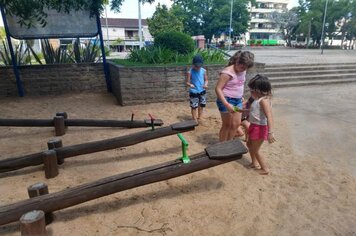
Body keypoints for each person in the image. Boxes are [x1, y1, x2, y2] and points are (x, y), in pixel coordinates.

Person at [215, 51, 255, 141]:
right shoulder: (227, 73)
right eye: (242, 67)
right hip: (226, 100)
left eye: (245, 68)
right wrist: (227, 104)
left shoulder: (243, 70)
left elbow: (239, 84)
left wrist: (240, 96)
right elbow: (218, 89)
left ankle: (229, 143)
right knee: (227, 125)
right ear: (237, 61)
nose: (243, 70)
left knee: (236, 124)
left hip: (237, 101)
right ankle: (222, 146)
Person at [246, 74, 276, 175]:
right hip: (254, 125)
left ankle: (265, 169)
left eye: (251, 89)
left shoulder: (264, 101)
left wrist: (270, 132)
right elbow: (254, 110)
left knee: (255, 149)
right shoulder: (257, 99)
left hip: (260, 128)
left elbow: (269, 116)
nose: (250, 91)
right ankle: (254, 163)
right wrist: (241, 110)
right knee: (249, 144)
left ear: (258, 89)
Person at [186, 55, 208, 122]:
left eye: (199, 66)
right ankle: (194, 119)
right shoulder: (190, 72)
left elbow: (206, 80)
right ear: (193, 65)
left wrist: (205, 84)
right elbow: (187, 82)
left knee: (201, 105)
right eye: (196, 66)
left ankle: (200, 117)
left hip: (202, 91)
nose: (198, 68)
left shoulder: (203, 71)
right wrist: (190, 85)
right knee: (194, 106)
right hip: (194, 91)